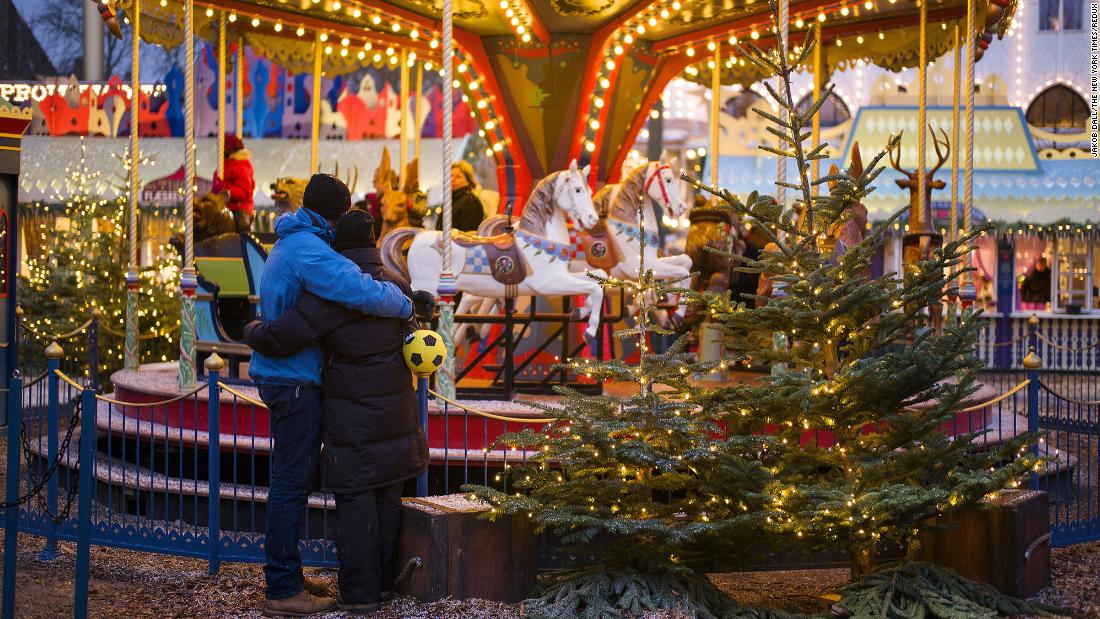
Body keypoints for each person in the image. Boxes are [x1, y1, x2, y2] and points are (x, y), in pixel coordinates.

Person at [244, 210, 433, 615]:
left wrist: (253, 328)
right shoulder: (398, 288)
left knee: (357, 503)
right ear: (374, 240)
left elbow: (280, 338)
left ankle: (360, 595)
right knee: (387, 498)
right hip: (397, 414)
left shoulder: (332, 295)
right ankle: (382, 587)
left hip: (353, 417)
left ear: (336, 246)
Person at [212, 134, 256, 232]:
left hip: (238, 210)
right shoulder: (221, 168)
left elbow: (243, 192)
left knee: (238, 237)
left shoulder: (240, 166)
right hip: (224, 210)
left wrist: (223, 187)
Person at [436, 161, 486, 233]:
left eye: (458, 177)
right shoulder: (450, 200)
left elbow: (468, 234)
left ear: (468, 181)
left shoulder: (471, 202)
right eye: (451, 176)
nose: (453, 179)